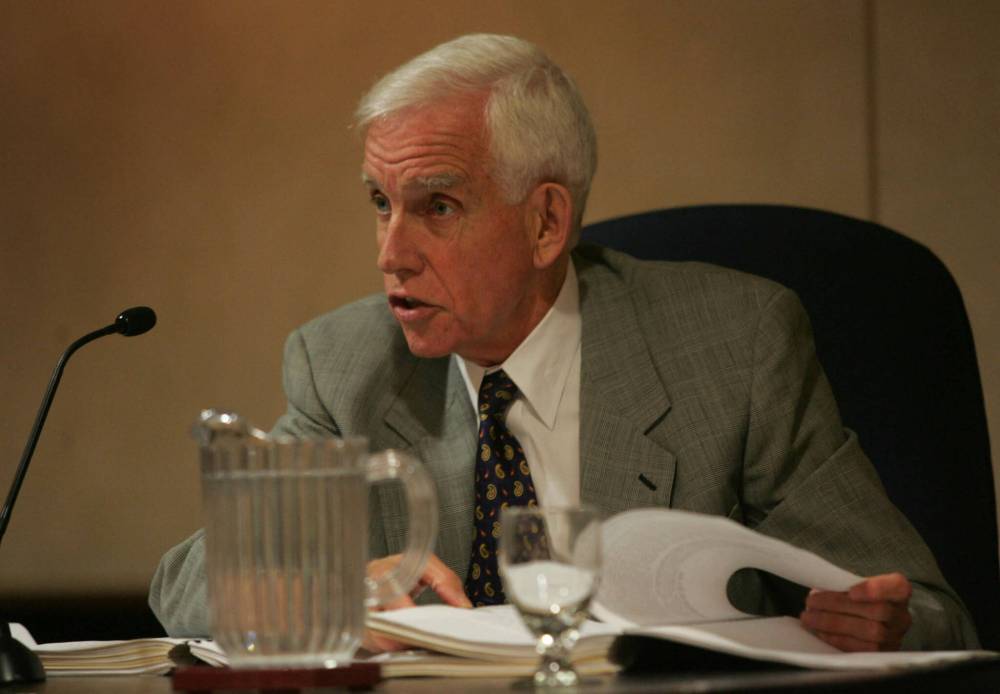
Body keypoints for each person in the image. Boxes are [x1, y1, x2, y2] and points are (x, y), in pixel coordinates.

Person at [150, 33, 978, 651]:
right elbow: (185, 584)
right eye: (380, 202)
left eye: (437, 207)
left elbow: (930, 613)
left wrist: (878, 625)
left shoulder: (735, 347)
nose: (390, 253)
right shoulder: (345, 364)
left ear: (546, 222)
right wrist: (332, 594)